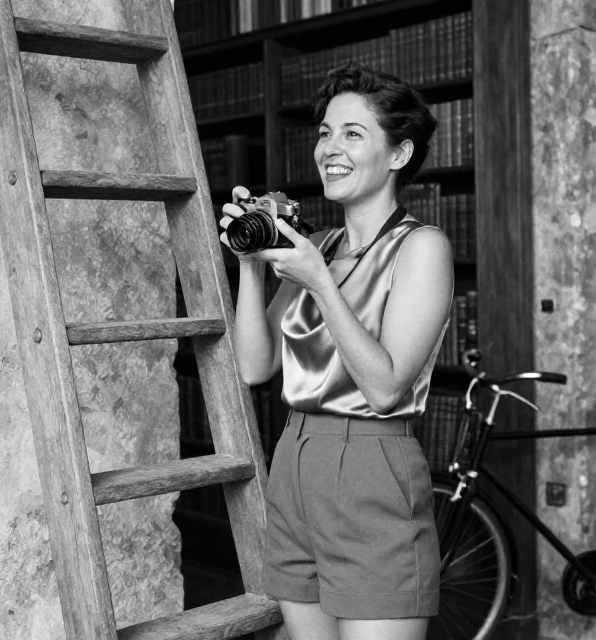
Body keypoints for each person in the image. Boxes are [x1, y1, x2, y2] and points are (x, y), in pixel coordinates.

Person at [218, 62, 454, 640]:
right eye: (325, 132)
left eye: (353, 133)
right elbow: (254, 366)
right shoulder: (315, 245)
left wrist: (320, 282)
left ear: (398, 155)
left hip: (373, 466)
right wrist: (253, 264)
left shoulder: (421, 247)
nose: (330, 147)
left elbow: (386, 386)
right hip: (295, 463)